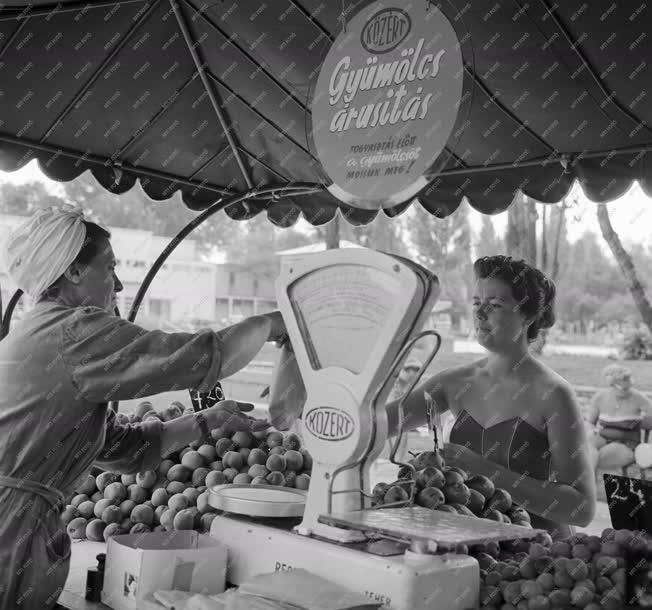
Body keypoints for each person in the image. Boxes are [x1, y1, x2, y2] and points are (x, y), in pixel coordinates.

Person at [0, 206, 286, 609]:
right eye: (109, 267)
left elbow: (123, 451)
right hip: (10, 527)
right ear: (74, 272)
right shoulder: (74, 331)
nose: (117, 284)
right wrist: (274, 324)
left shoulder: (37, 329)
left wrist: (207, 420)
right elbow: (197, 358)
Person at [386, 255, 596, 538]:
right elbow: (377, 423)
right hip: (471, 548)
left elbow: (581, 509)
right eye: (476, 303)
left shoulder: (554, 394)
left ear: (528, 316)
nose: (480, 313)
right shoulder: (455, 381)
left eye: (495, 305)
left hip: (539, 556)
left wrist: (483, 469)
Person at [586, 364, 652, 448]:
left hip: (626, 444)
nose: (627, 391)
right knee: (588, 444)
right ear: (612, 385)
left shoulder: (638, 397)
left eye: (629, 386)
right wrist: (591, 431)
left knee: (607, 452)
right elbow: (590, 422)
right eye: (623, 388)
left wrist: (640, 420)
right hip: (602, 438)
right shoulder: (600, 397)